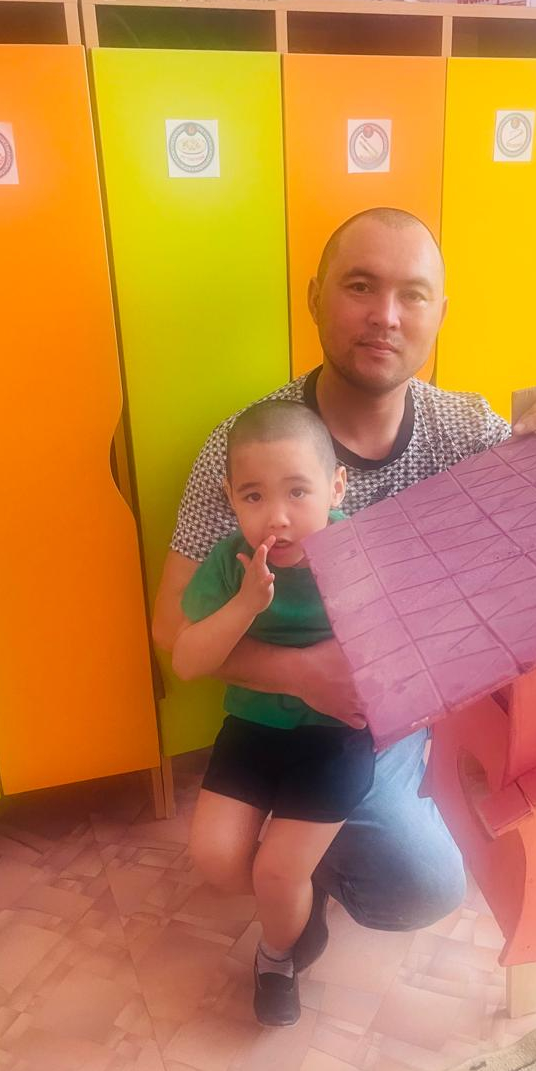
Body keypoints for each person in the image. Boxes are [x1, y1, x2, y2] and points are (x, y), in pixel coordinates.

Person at [153, 206, 536, 977]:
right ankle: (296, 872)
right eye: (360, 286)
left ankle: (313, 850)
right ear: (315, 297)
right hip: (275, 716)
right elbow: (170, 625)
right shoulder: (247, 449)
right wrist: (302, 674)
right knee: (226, 861)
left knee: (419, 887)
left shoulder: (467, 433)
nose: (386, 315)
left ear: (441, 313)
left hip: (398, 725)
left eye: (413, 294)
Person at [173, 400, 374, 1026]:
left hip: (336, 740)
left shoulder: (364, 552)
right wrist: (244, 605)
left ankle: (278, 956)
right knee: (217, 860)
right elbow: (186, 661)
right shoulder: (229, 561)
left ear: (336, 487)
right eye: (254, 496)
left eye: (297, 492)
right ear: (231, 498)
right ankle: (298, 905)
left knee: (280, 874)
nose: (277, 517)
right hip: (254, 730)